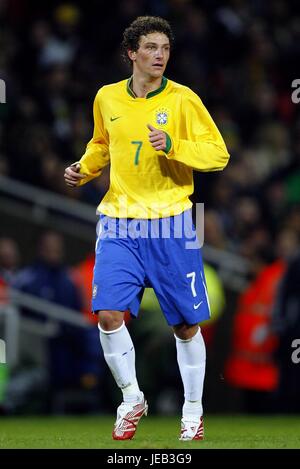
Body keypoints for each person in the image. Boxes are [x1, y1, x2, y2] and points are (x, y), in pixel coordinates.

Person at [64, 16, 229, 441]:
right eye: (151, 48)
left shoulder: (183, 100)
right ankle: (131, 397)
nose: (159, 56)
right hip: (119, 221)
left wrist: (173, 145)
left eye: (165, 49)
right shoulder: (106, 98)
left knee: (186, 326)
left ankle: (192, 411)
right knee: (107, 315)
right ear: (132, 53)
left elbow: (218, 154)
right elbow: (102, 143)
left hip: (174, 222)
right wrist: (84, 169)